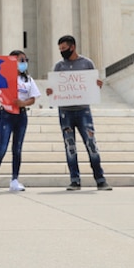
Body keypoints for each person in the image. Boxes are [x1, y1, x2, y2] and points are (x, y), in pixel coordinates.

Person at [44, 35, 112, 191]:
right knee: (70, 147)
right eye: (60, 49)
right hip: (65, 112)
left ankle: (100, 179)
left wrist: (97, 84)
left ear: (72, 47)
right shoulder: (59, 67)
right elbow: (55, 87)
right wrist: (51, 91)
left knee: (91, 144)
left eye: (64, 48)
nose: (62, 52)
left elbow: (93, 85)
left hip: (83, 111)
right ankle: (74, 180)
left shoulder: (86, 63)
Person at [0, 51, 40, 192]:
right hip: (6, 114)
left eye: (25, 60)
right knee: (2, 148)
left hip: (21, 115)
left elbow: (33, 98)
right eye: (21, 60)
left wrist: (23, 103)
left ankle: (14, 180)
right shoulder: (4, 78)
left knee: (17, 149)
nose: (24, 63)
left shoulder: (28, 80)